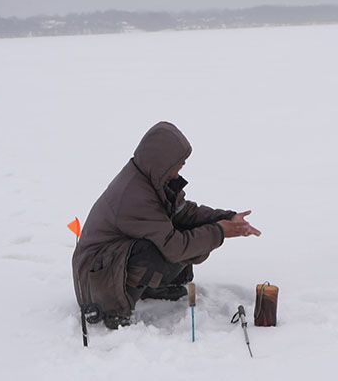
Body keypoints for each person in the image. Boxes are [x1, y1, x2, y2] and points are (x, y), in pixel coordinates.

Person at [71, 121, 261, 329]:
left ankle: (151, 288)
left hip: (110, 264)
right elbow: (175, 247)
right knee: (159, 250)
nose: (178, 173)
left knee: (176, 234)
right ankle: (113, 308)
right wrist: (219, 232)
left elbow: (184, 213)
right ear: (162, 164)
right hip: (96, 279)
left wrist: (226, 217)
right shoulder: (135, 195)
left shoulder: (149, 179)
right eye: (177, 167)